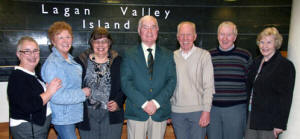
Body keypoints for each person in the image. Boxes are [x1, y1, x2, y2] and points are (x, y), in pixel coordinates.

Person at [120, 15, 177, 139]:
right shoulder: (129, 54)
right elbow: (125, 82)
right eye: (145, 27)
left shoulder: (168, 55)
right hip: (137, 111)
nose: (149, 31)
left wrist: (156, 103)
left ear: (157, 30)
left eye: (153, 27)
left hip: (159, 111)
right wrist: (144, 103)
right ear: (139, 31)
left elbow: (171, 81)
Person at [41, 21, 91, 139]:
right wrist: (82, 93)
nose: (65, 41)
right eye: (60, 37)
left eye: (68, 37)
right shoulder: (53, 64)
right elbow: (56, 96)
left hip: (71, 114)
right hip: (63, 118)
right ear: (53, 41)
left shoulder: (70, 59)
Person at [245, 27, 295, 139]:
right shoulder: (256, 62)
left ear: (276, 43)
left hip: (269, 121)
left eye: (269, 42)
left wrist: (280, 124)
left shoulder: (284, 65)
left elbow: (286, 97)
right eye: (262, 42)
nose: (264, 46)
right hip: (252, 117)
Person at [75, 27, 125, 139]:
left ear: (109, 43)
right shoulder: (80, 62)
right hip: (87, 115)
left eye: (104, 41)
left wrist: (118, 101)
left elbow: (126, 86)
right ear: (91, 43)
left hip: (111, 114)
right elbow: (72, 85)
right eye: (97, 41)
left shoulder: (119, 61)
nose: (100, 45)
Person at [7, 36, 61, 139]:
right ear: (19, 54)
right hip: (27, 128)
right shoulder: (17, 77)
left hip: (38, 126)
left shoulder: (33, 74)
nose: (32, 55)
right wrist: (49, 92)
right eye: (27, 51)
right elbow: (29, 105)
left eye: (35, 51)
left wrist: (46, 88)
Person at [207, 21, 252, 139]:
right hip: (213, 110)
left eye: (229, 34)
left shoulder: (245, 56)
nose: (225, 38)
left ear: (235, 37)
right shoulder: (208, 55)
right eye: (222, 34)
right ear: (217, 36)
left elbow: (250, 83)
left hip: (236, 110)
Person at [171, 21, 215, 139]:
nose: (185, 38)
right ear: (177, 37)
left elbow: (209, 86)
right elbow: (167, 85)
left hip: (198, 111)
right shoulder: (171, 57)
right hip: (177, 112)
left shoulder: (204, 55)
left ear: (195, 36)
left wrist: (206, 111)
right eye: (182, 34)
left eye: (189, 34)